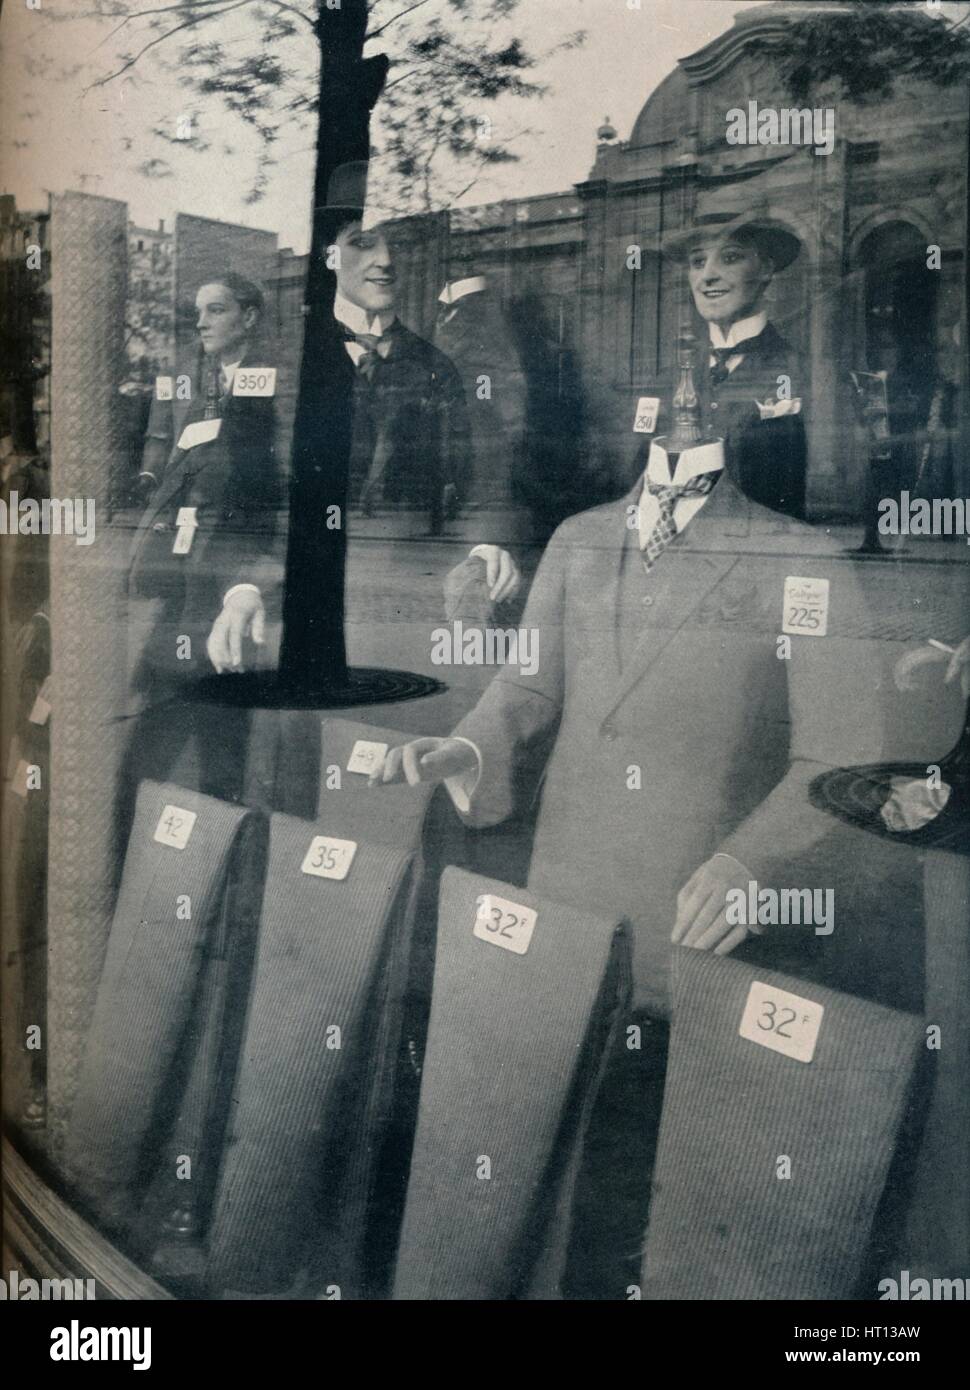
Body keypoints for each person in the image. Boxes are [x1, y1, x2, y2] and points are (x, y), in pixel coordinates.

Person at [371, 378, 895, 1292]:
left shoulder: (800, 557)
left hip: (690, 921)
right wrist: (462, 749)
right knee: (535, 1151)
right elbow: (531, 690)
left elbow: (841, 760)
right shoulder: (578, 538)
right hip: (565, 907)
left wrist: (749, 864)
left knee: (647, 1183)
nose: (686, 401)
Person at [330, 211, 520, 603]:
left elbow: (478, 433)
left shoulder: (432, 354)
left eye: (392, 249)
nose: (384, 260)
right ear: (331, 257)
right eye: (364, 244)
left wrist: (485, 538)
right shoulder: (301, 353)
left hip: (400, 546)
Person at [128, 272, 283, 690]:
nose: (201, 322)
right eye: (199, 312)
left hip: (233, 557)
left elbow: (277, 486)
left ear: (249, 317)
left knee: (208, 691)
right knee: (173, 687)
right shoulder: (205, 381)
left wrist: (253, 573)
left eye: (216, 310)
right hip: (190, 554)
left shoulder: (274, 380)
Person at [653, 210, 807, 521]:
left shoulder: (798, 367)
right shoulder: (673, 372)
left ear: (765, 268)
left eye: (730, 258)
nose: (707, 276)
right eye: (698, 262)